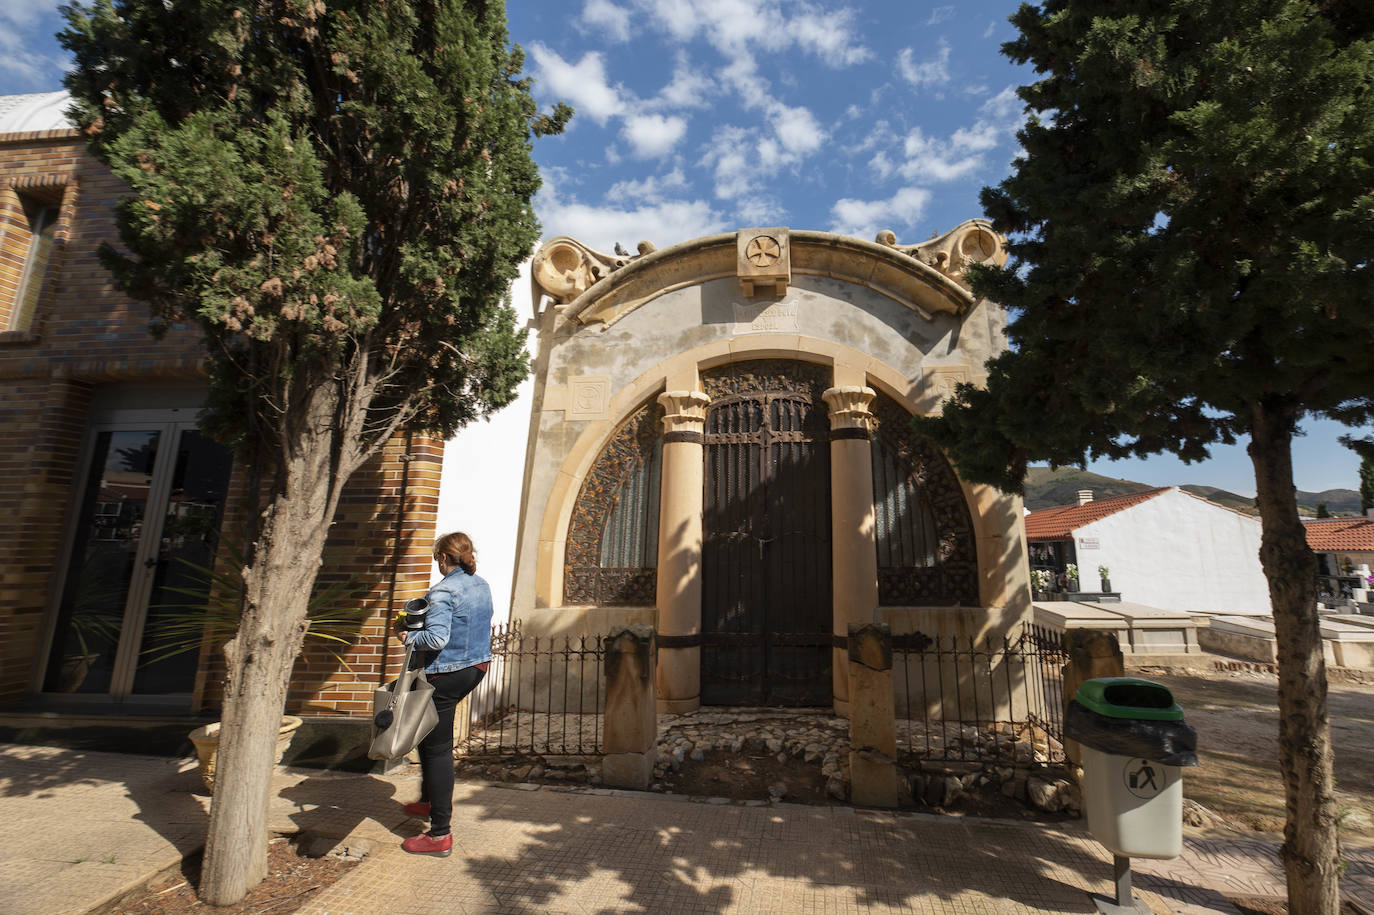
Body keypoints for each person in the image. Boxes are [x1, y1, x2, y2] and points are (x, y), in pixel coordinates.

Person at [394, 531, 494, 857]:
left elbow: (436, 639)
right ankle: (428, 802)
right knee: (426, 734)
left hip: (447, 674)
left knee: (438, 749)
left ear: (442, 558)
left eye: (437, 557)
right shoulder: (480, 585)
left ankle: (440, 835)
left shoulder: (443, 591)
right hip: (476, 668)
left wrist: (407, 636)